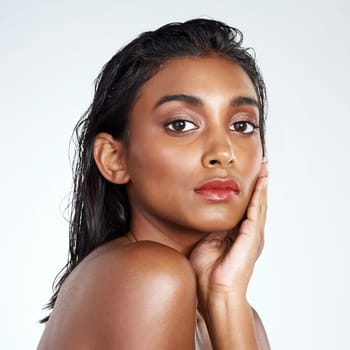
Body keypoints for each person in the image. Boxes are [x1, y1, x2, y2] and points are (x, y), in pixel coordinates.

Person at [37, 18, 270, 349]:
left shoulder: (236, 314)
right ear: (114, 158)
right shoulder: (150, 277)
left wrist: (226, 298)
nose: (223, 152)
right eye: (181, 124)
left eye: (243, 126)